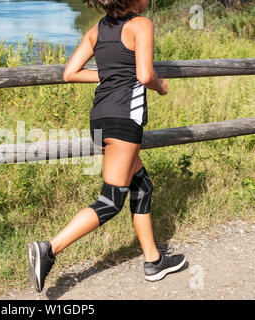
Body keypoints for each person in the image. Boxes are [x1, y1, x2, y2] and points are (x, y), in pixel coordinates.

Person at [27, 0, 187, 293]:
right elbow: (144, 75)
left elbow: (70, 73)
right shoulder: (141, 25)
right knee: (111, 200)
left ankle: (153, 261)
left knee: (142, 185)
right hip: (124, 120)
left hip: (100, 120)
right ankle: (49, 249)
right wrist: (160, 86)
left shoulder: (96, 31)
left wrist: (108, 75)